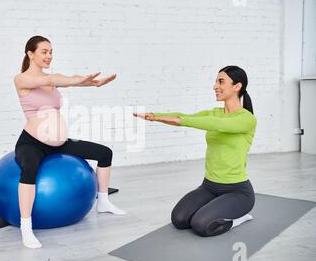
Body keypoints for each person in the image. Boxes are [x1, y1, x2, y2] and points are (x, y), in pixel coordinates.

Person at [14, 35, 125, 249]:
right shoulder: (21, 80)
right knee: (29, 168)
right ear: (30, 54)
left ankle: (103, 202)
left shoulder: (52, 79)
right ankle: (26, 227)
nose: (49, 56)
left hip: (59, 142)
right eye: (44, 52)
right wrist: (79, 80)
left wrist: (90, 83)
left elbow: (63, 78)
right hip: (32, 143)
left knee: (104, 153)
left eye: (51, 52)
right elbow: (50, 80)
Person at [134, 66, 256, 237]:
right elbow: (185, 115)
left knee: (201, 225)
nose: (215, 86)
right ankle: (217, 206)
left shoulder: (246, 119)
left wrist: (181, 121)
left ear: (237, 87)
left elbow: (214, 124)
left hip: (237, 191)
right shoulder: (214, 113)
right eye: (215, 81)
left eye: (221, 82)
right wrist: (155, 116)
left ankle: (238, 218)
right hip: (209, 186)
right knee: (179, 219)